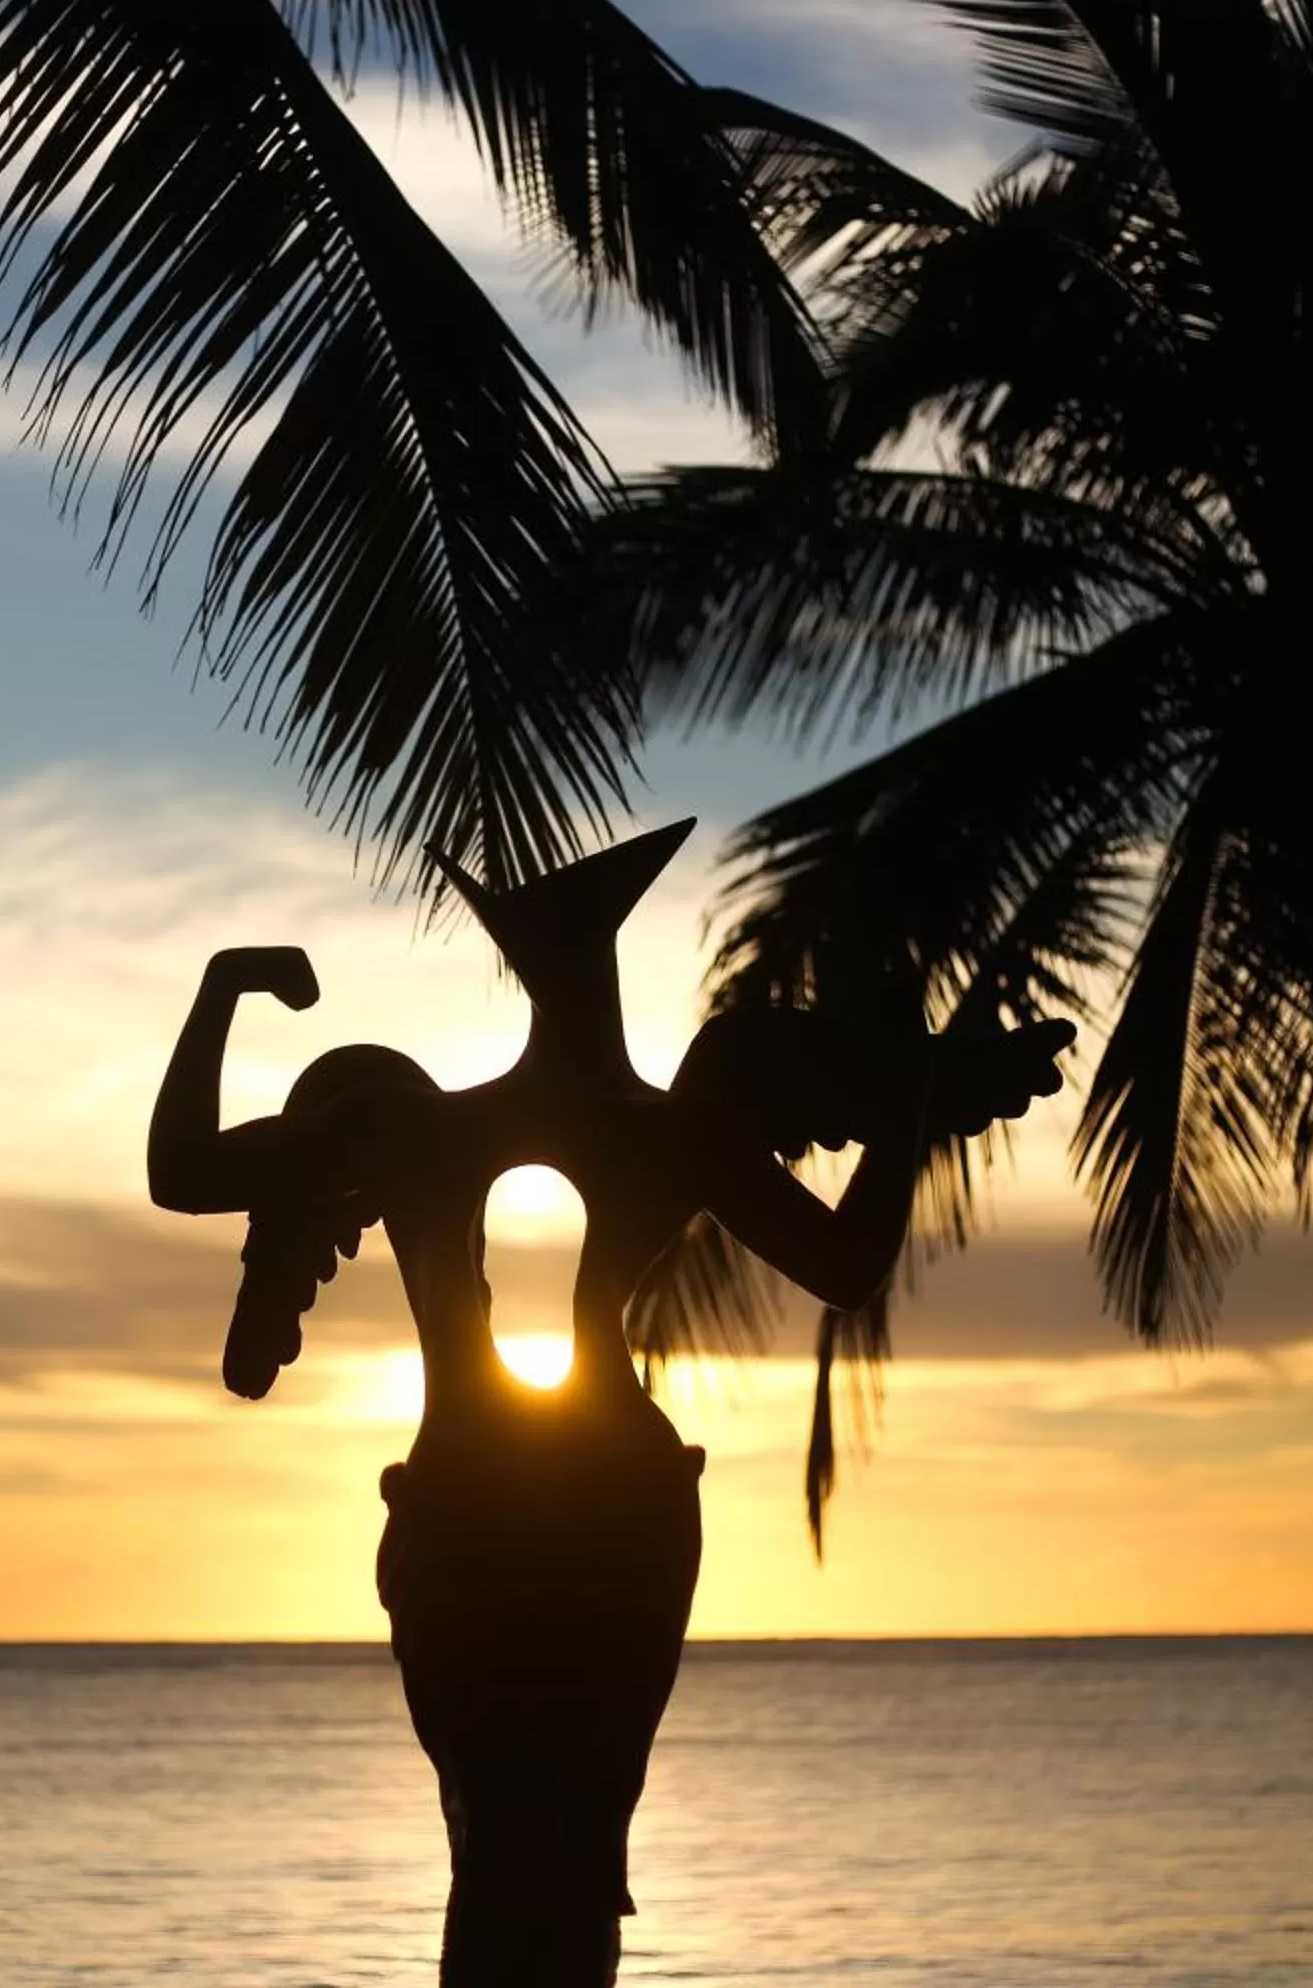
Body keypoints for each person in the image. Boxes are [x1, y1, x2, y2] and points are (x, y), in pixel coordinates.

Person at [147, 822, 1072, 1984]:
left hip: (494, 1507)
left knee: (511, 1824)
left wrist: (229, 988)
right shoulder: (664, 1125)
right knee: (555, 1829)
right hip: (592, 1510)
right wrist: (908, 1102)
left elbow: (181, 1169)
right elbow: (850, 1261)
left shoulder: (429, 1125)